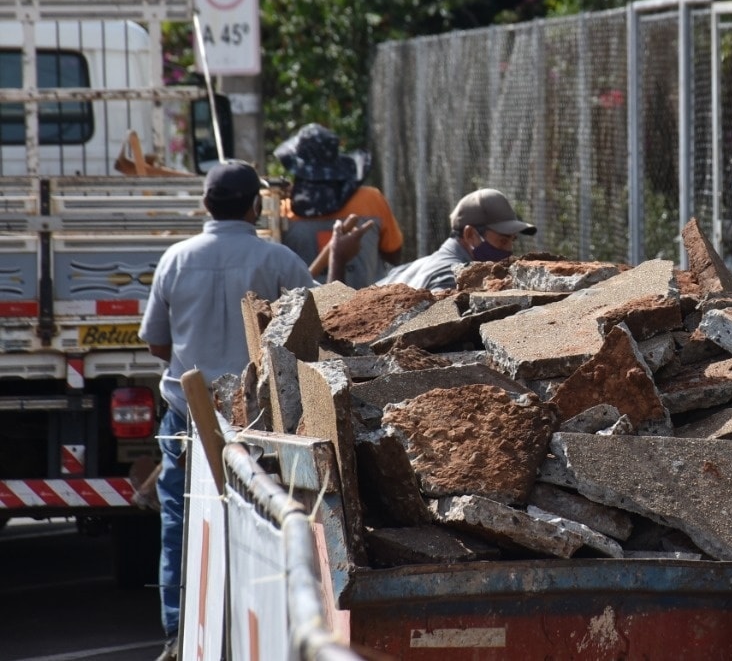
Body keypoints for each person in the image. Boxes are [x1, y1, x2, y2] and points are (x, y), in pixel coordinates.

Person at [138, 159, 362, 661]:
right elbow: (315, 323)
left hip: (188, 420)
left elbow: (157, 342)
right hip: (254, 423)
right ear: (254, 205)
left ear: (204, 205)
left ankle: (178, 637)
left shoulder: (175, 260)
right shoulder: (277, 261)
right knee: (265, 524)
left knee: (180, 523)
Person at [275, 123, 403, 288]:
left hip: (305, 311)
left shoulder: (283, 211)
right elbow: (393, 255)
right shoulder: (371, 199)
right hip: (372, 307)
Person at [379, 187, 535, 291]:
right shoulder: (451, 279)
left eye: (512, 240)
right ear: (470, 235)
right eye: (503, 240)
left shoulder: (409, 268)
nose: (508, 250)